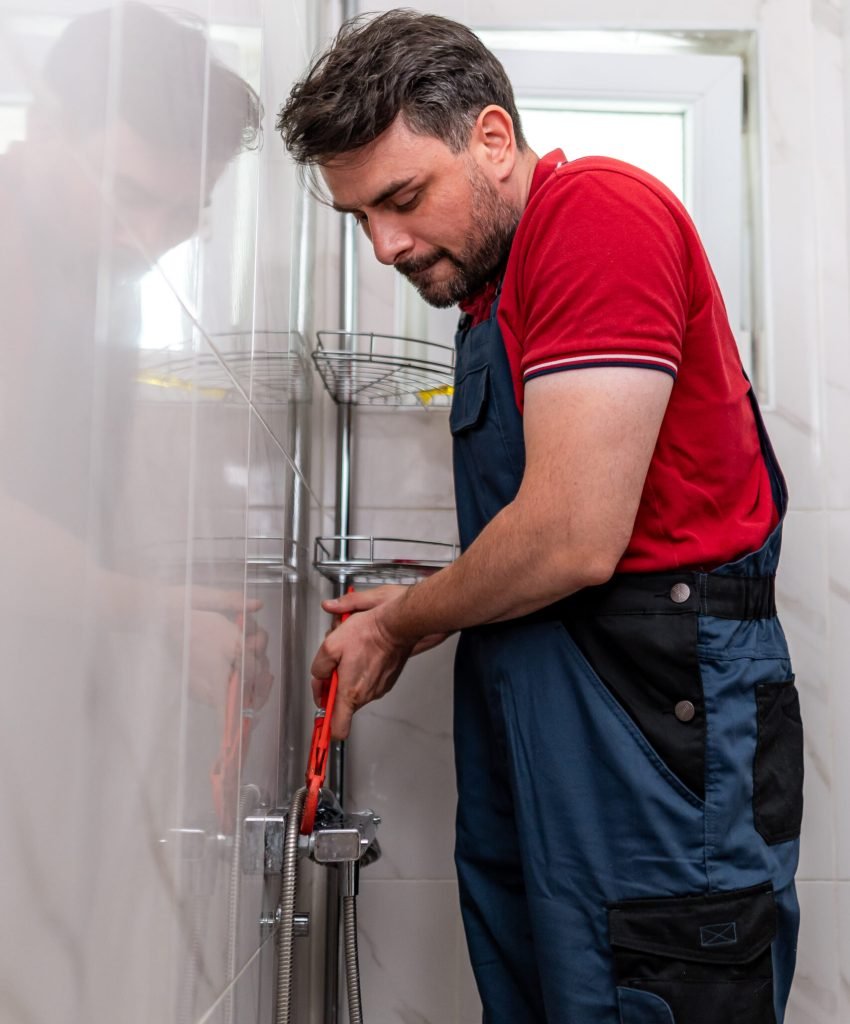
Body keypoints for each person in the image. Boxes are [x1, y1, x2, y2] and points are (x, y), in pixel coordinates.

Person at [278, 9, 803, 1023]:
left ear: (488, 137)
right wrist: (427, 602)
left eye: (401, 198)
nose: (385, 244)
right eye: (361, 218)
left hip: (654, 721)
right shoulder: (493, 294)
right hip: (545, 707)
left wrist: (407, 617)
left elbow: (569, 532)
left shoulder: (597, 215)